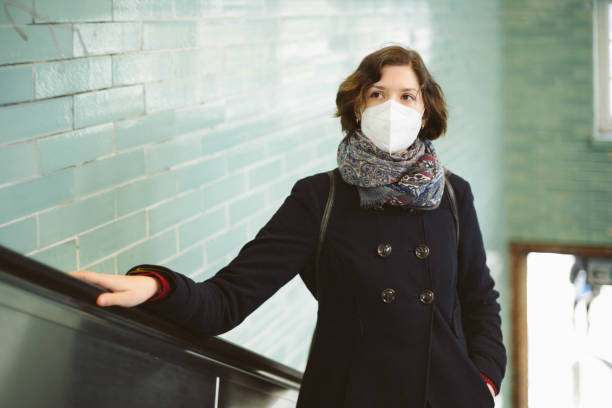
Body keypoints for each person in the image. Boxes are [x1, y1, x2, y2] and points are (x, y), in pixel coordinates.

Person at [70, 45, 506, 408]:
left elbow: (479, 298)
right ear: (358, 107)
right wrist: (156, 287)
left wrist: (485, 380)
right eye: (378, 94)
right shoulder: (320, 199)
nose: (392, 108)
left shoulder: (452, 194)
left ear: (426, 110)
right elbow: (226, 299)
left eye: (407, 96)